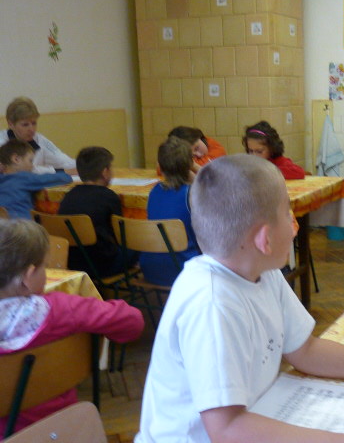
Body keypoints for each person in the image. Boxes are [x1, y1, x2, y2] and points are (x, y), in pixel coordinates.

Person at [136, 154, 344, 443]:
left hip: (254, 417)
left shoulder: (262, 270)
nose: (295, 225)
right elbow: (226, 429)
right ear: (264, 239)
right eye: (288, 214)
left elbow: (304, 350)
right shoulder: (211, 303)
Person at [0, 218, 144, 434]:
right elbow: (132, 321)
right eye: (45, 267)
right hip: (63, 428)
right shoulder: (61, 308)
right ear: (28, 277)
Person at [58, 147, 137, 277]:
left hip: (73, 263)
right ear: (105, 172)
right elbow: (119, 235)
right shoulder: (109, 196)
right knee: (140, 247)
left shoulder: (69, 196)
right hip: (103, 265)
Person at [139, 137, 200, 286]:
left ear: (160, 166)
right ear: (190, 164)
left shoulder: (154, 191)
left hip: (150, 269)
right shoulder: (192, 194)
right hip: (185, 271)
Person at [0, 97, 76, 175]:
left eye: (34, 123)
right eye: (25, 125)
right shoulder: (2, 141)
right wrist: (65, 172)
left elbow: (65, 161)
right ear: (11, 124)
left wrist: (81, 166)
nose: (31, 129)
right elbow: (26, 170)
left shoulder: (40, 140)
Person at [0, 140, 72, 219]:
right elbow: (59, 179)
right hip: (21, 223)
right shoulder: (24, 178)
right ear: (16, 159)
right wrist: (67, 175)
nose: (32, 166)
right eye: (30, 161)